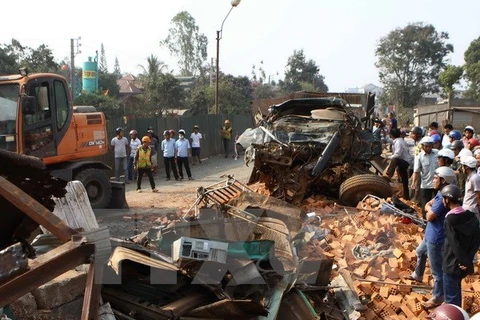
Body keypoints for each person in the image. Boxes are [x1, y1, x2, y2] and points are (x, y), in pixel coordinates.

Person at [406, 167, 456, 309]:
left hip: (436, 238)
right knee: (420, 252)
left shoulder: (443, 198)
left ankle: (437, 297)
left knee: (437, 271)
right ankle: (418, 274)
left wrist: (429, 209)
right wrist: (429, 208)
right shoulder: (441, 193)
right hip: (430, 233)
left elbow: (429, 214)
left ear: (443, 180)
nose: (433, 180)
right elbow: (428, 204)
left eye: (436, 178)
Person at [441, 184, 480, 306]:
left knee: (451, 300)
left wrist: (462, 261)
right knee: (456, 294)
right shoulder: (472, 217)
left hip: (451, 264)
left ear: (447, 200)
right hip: (464, 264)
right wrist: (467, 262)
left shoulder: (450, 220)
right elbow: (476, 241)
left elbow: (454, 244)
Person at [412, 136, 439, 218]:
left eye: (430, 146)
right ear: (423, 146)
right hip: (425, 185)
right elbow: (416, 171)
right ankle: (425, 222)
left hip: (437, 184)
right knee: (425, 205)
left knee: (438, 204)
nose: (428, 148)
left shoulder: (438, 153)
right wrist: (414, 183)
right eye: (426, 146)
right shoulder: (419, 157)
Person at [384, 128, 413, 200]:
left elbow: (397, 154)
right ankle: (406, 197)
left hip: (405, 162)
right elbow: (388, 140)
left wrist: (387, 158)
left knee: (394, 159)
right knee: (404, 180)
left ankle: (389, 174)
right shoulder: (398, 141)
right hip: (403, 161)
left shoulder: (399, 142)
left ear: (392, 135)